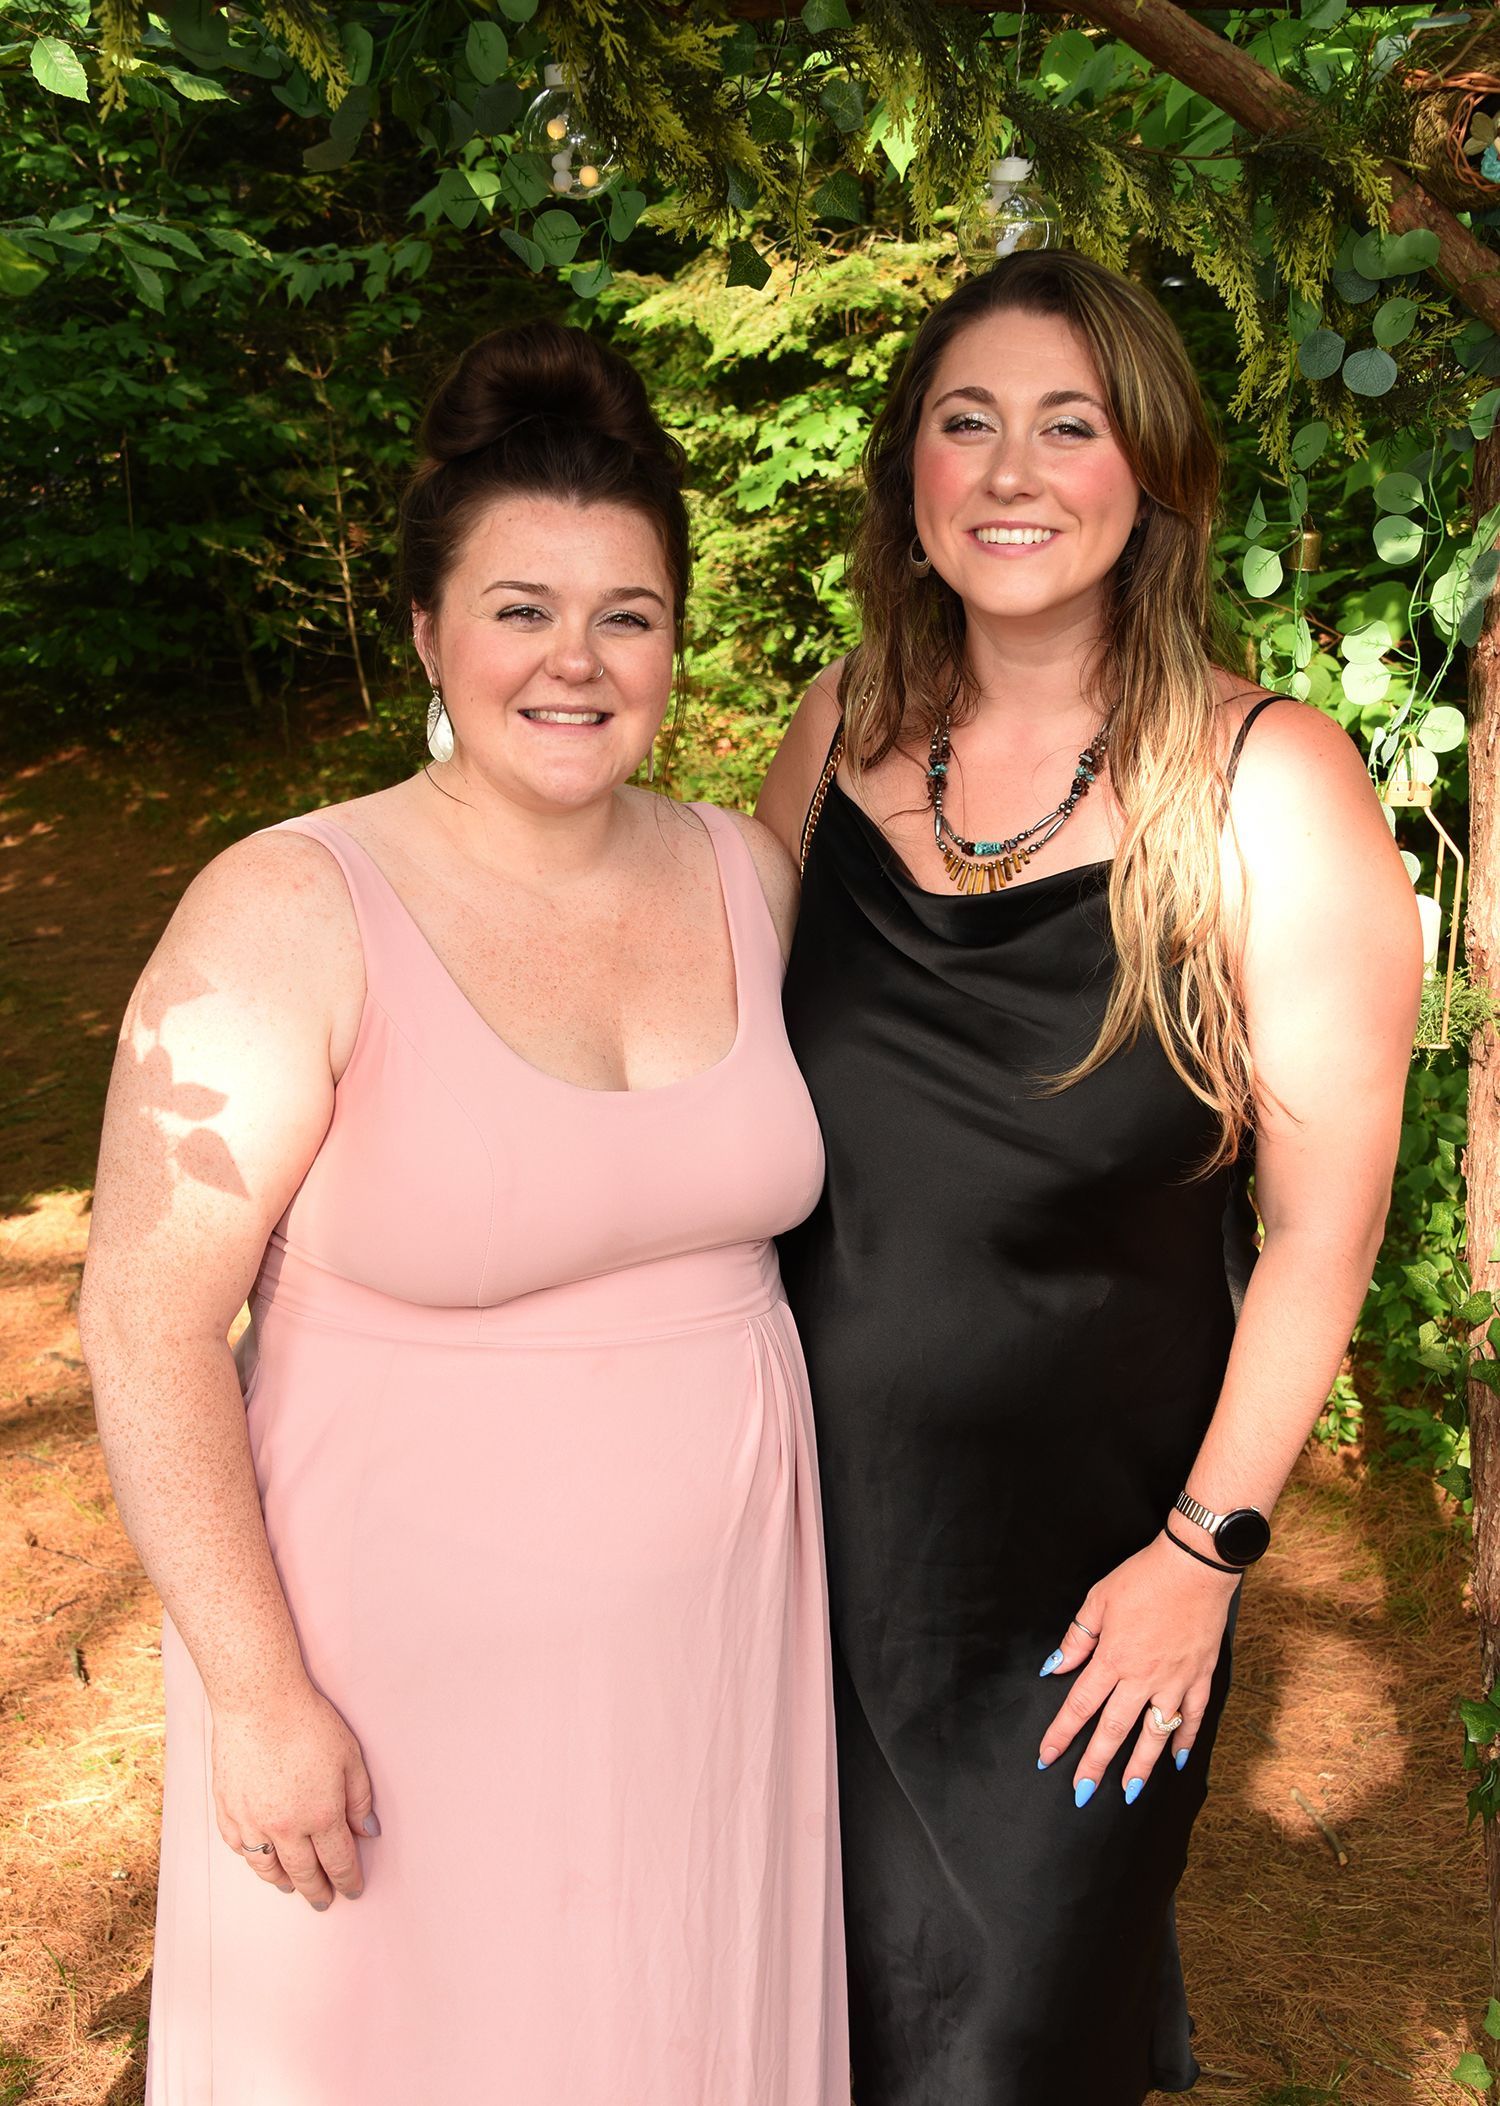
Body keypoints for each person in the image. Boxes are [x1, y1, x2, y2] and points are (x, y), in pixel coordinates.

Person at [79, 320, 847, 2106]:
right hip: (387, 1687)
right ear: (428, 631)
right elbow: (146, 1316)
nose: (576, 660)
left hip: (718, 1668)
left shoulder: (747, 874)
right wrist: (260, 1695)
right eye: (521, 608)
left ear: (675, 642)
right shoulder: (287, 906)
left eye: (627, 615)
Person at [757, 251, 1421, 2104]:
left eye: (1070, 424)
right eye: (966, 421)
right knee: (790, 2032)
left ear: (1153, 470)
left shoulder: (1271, 784)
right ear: (909, 468)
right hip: (792, 1547)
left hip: (1092, 1593)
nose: (1010, 471)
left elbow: (1322, 1236)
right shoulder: (832, 734)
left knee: (1009, 2049)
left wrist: (1205, 1555)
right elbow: (711, 1097)